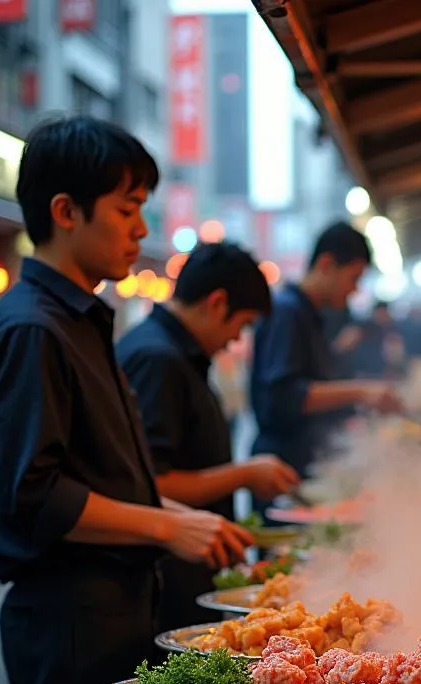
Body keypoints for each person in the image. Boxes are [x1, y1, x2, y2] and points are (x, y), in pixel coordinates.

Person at [0, 117, 251, 684]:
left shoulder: (83, 319)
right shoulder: (33, 328)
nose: (141, 227)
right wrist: (167, 524)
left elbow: (107, 475)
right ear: (65, 211)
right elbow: (31, 498)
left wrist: (170, 512)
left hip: (109, 613)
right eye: (127, 207)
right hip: (69, 621)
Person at [117, 242, 300, 630]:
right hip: (164, 583)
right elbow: (152, 485)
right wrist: (246, 473)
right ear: (217, 303)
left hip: (185, 571)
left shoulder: (173, 351)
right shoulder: (158, 359)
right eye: (242, 324)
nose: (236, 339)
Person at [249, 222, 402, 486]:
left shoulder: (309, 313)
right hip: (281, 467)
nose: (355, 289)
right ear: (326, 264)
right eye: (353, 278)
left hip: (304, 459)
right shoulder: (287, 312)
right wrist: (363, 391)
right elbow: (283, 396)